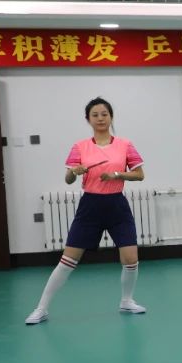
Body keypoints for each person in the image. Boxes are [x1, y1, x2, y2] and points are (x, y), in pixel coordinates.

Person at [25, 98, 146, 324]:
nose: (100, 118)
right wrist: (75, 171)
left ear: (111, 117)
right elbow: (68, 179)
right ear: (88, 119)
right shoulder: (80, 146)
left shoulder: (125, 145)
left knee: (131, 259)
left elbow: (139, 175)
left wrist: (117, 175)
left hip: (117, 206)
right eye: (95, 115)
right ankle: (41, 308)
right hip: (90, 206)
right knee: (68, 260)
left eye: (104, 114)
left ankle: (127, 301)